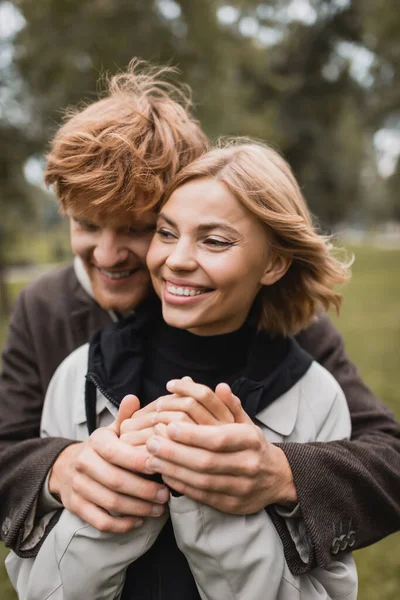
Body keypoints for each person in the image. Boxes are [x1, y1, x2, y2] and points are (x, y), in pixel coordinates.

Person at [0, 61, 399, 577]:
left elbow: (387, 458)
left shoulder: (270, 311)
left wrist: (280, 473)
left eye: (136, 228)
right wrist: (60, 468)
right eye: (86, 224)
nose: (105, 253)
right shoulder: (44, 306)